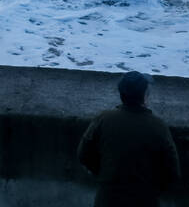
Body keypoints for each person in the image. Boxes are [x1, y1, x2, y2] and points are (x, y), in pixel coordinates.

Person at [77, 71, 179, 207]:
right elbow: (172, 172)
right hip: (144, 200)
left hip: (108, 198)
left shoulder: (103, 119)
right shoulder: (158, 126)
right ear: (145, 96)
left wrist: (104, 174)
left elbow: (83, 155)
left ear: (121, 94)